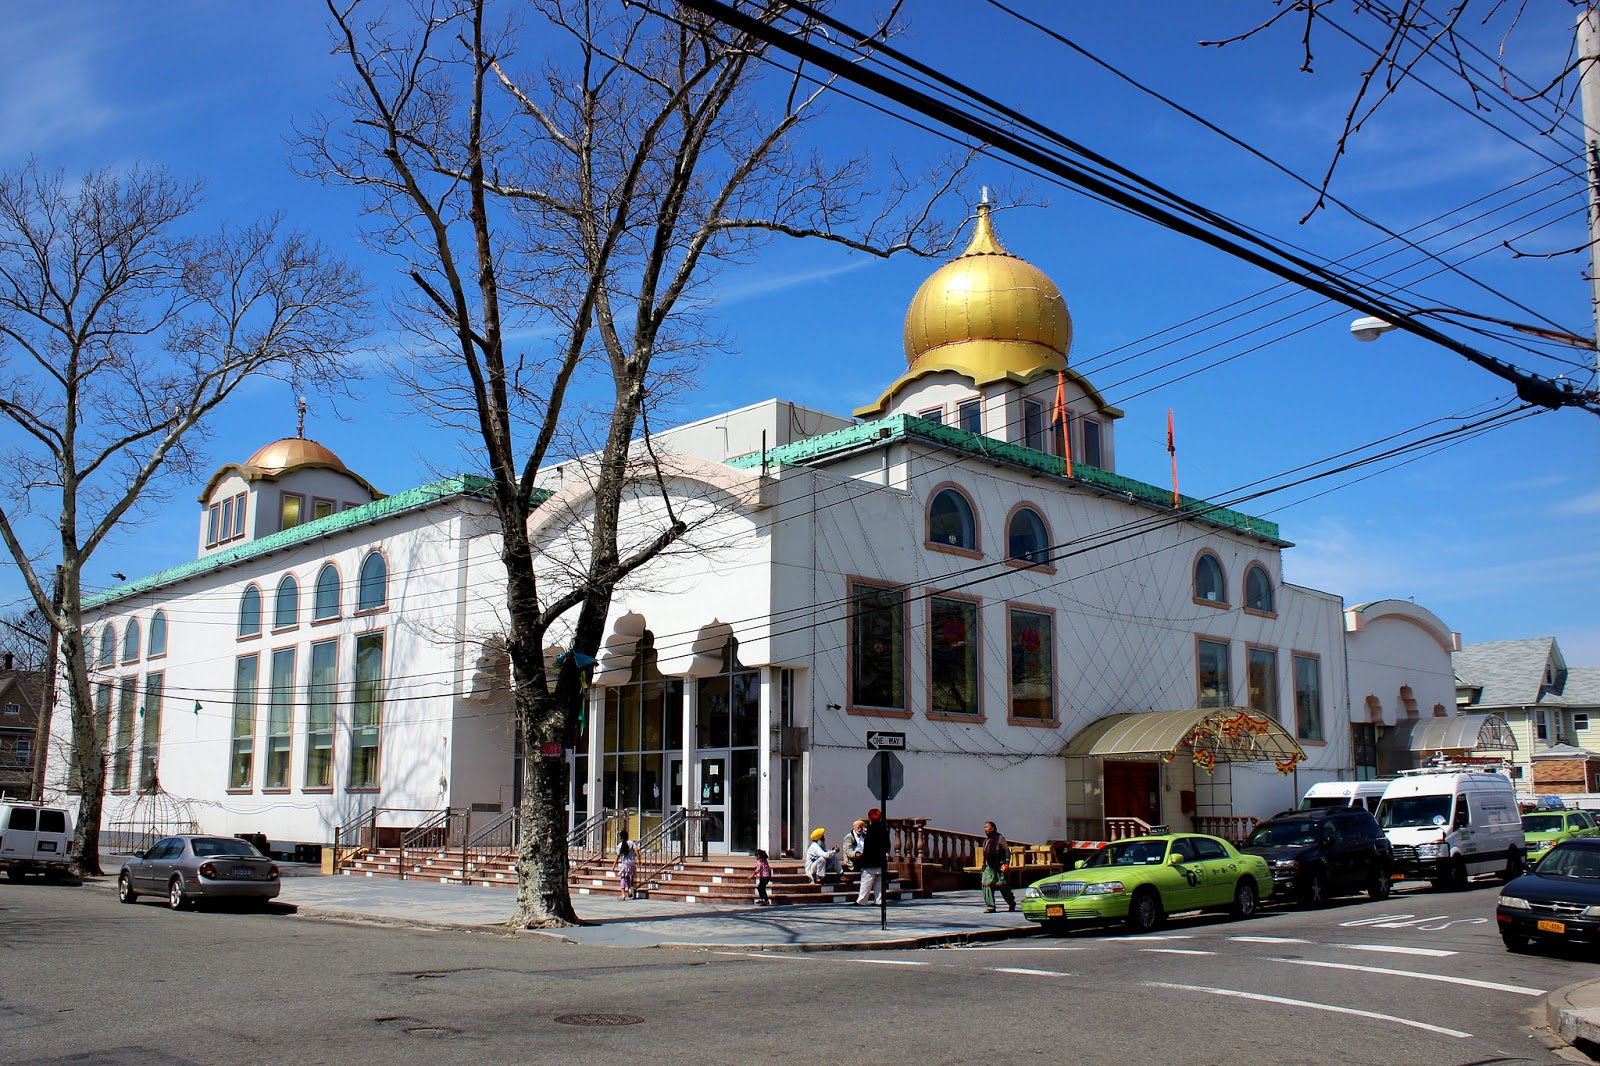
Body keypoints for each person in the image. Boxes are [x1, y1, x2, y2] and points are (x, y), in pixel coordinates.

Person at [854, 807, 891, 906]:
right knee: (879, 883)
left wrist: (862, 858)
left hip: (870, 860)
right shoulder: (885, 829)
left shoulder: (871, 830)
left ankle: (861, 901)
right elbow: (887, 845)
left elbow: (868, 847)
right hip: (881, 860)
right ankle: (879, 900)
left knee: (866, 882)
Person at [980, 821, 1016, 913]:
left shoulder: (1000, 839)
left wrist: (1006, 863)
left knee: (1003, 886)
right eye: (985, 827)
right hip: (989, 866)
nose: (985, 829)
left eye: (987, 827)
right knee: (986, 885)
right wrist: (983, 866)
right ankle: (991, 906)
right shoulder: (986, 841)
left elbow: (1007, 851)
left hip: (999, 865)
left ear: (993, 828)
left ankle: (1011, 903)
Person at [614, 830, 638, 901]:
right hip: (631, 863)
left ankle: (623, 894)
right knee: (627, 877)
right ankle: (630, 889)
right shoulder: (631, 843)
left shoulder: (620, 845)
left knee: (623, 878)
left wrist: (614, 865)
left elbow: (618, 857)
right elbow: (636, 850)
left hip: (625, 863)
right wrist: (639, 859)